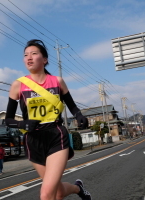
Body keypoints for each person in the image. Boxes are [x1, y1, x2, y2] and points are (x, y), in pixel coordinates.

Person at [5, 39, 91, 200]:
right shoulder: (18, 85)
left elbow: (72, 106)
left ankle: (78, 189)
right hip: (33, 139)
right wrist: (22, 123)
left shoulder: (57, 82)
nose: (29, 57)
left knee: (46, 194)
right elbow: (8, 120)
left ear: (44, 60)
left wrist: (79, 116)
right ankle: (78, 189)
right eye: (25, 55)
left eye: (34, 54)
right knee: (56, 193)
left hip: (55, 135)